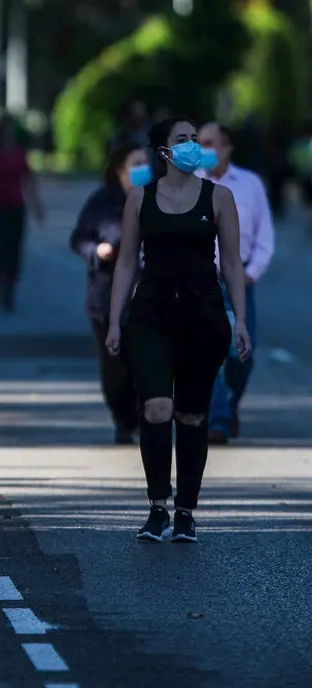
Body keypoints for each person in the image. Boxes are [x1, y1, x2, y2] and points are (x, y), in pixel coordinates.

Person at [106, 117, 250, 544]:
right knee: (156, 408)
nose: (192, 146)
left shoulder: (218, 197)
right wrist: (114, 320)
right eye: (182, 139)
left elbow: (232, 264)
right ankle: (157, 506)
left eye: (195, 139)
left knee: (191, 414)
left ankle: (186, 510)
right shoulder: (140, 197)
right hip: (151, 315)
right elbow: (126, 262)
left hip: (202, 316)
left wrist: (240, 319)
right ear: (164, 151)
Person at [197, 122, 274, 444]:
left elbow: (264, 237)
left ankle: (228, 404)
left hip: (239, 280)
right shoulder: (188, 182)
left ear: (227, 148)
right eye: (199, 142)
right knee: (207, 353)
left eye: (209, 143)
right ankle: (218, 419)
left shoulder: (250, 184)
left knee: (242, 354)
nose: (202, 149)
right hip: (200, 280)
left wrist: (251, 272)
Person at [69, 141, 145, 444]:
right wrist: (97, 251)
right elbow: (78, 239)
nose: (142, 170)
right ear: (120, 170)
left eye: (146, 163)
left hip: (149, 297)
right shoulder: (102, 201)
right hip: (107, 298)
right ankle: (123, 419)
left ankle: (144, 416)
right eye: (135, 164)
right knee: (115, 367)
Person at [0, 114, 45, 311]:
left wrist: (36, 204)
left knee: (14, 249)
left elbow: (29, 178)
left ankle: (9, 288)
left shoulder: (18, 154)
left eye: (10, 132)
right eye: (5, 131)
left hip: (15, 206)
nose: (8, 135)